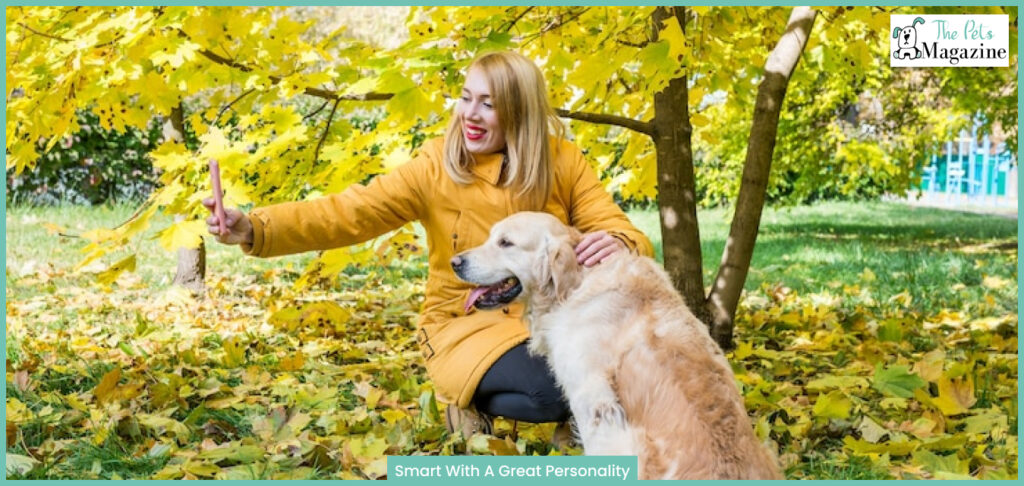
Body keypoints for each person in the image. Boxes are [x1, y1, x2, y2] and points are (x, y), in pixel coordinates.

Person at [204, 50, 653, 442]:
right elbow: (348, 212)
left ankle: (579, 427)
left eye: (488, 104)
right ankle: (464, 401)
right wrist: (254, 228)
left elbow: (618, 230)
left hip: (554, 317)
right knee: (553, 391)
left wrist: (616, 241)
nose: (469, 114)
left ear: (519, 111)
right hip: (467, 322)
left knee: (633, 366)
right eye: (465, 97)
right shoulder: (434, 166)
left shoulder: (563, 162)